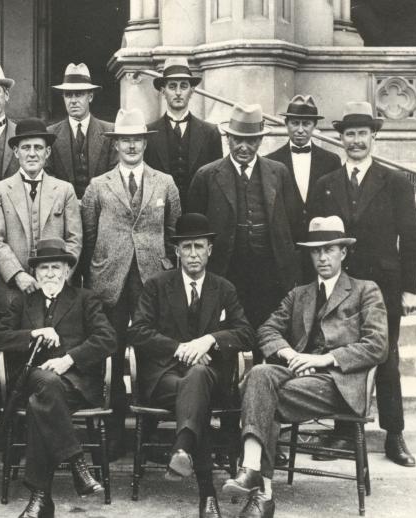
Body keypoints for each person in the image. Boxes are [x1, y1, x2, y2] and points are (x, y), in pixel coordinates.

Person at [222, 216, 388, 518]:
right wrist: (289, 355)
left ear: (343, 252)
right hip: (297, 377)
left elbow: (378, 344)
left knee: (258, 394)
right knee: (259, 374)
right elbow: (266, 330)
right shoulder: (300, 294)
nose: (322, 257)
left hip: (339, 383)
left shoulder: (366, 290)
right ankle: (259, 482)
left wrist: (323, 359)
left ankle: (258, 484)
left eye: (329, 249)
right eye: (315, 251)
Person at [310, 101, 416, 467]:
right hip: (340, 286)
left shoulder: (395, 182)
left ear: (374, 136)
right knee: (342, 355)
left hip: (384, 287)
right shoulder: (327, 184)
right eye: (349, 134)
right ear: (339, 138)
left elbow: (413, 235)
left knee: (386, 358)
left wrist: (410, 289)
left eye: (362, 134)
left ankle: (395, 435)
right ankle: (344, 431)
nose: (355, 141)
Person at [128, 213, 254, 518]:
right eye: (187, 247)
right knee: (195, 392)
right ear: (177, 251)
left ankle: (182, 449)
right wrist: (181, 348)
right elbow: (137, 330)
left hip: (211, 379)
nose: (193, 254)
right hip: (164, 378)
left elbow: (245, 332)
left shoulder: (223, 288)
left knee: (198, 379)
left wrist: (209, 339)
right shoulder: (157, 286)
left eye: (199, 246)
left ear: (210, 249)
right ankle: (206, 496)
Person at [0, 239, 116, 518]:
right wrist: (32, 334)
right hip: (32, 380)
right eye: (43, 268)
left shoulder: (85, 299)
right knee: (45, 385)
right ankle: (76, 461)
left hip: (75, 384)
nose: (49, 274)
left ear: (67, 270)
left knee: (40, 403)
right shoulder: (23, 302)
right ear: (35, 274)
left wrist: (68, 359)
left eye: (55, 267)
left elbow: (107, 339)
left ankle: (40, 498)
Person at [81, 107, 180, 455]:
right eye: (125, 140)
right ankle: (113, 435)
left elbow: (173, 233)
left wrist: (167, 271)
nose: (132, 146)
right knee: (111, 352)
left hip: (153, 280)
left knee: (152, 353)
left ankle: (148, 432)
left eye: (137, 139)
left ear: (145, 143)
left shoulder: (164, 183)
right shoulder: (98, 186)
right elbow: (89, 235)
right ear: (116, 144)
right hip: (110, 282)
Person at [187, 103, 299, 336]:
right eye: (238, 139)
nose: (244, 147)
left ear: (260, 141)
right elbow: (194, 231)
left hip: (270, 273)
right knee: (226, 333)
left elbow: (293, 223)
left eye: (252, 140)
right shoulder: (207, 175)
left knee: (268, 332)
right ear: (228, 138)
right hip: (225, 271)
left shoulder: (279, 173)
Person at [0, 118, 83, 323]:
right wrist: (17, 275)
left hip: (55, 289)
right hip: (12, 290)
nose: (32, 153)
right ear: (16, 152)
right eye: (26, 147)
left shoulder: (64, 190)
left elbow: (74, 240)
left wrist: (58, 278)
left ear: (47, 153)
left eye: (38, 147)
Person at [265, 95, 342, 280]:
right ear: (286, 123)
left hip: (321, 250)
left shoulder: (331, 161)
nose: (300, 129)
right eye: (295, 123)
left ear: (314, 126)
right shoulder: (270, 161)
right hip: (286, 251)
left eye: (306, 123)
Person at [144, 57, 223, 201]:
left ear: (192, 91)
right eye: (172, 86)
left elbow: (217, 181)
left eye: (184, 86)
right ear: (163, 91)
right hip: (161, 213)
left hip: (198, 213)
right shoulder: (148, 133)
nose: (178, 92)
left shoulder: (210, 132)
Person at [46, 63, 116, 198]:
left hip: (100, 208)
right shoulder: (50, 134)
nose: (73, 101)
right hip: (63, 208)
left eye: (79, 95)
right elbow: (47, 176)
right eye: (68, 95)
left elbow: (114, 175)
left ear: (90, 97)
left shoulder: (109, 132)